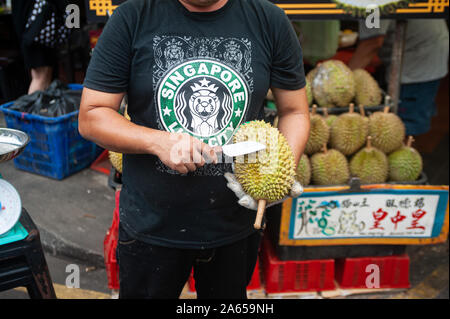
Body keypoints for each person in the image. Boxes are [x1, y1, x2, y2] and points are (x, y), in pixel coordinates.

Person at [79, 0, 310, 299]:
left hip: (236, 223)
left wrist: (279, 170)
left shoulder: (269, 19)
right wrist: (158, 141)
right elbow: (92, 115)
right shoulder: (133, 16)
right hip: (152, 223)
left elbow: (294, 111)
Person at [348, 19, 449, 136]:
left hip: (416, 61)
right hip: (421, 50)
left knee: (404, 128)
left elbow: (373, 42)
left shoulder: (371, 3)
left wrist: (345, 78)